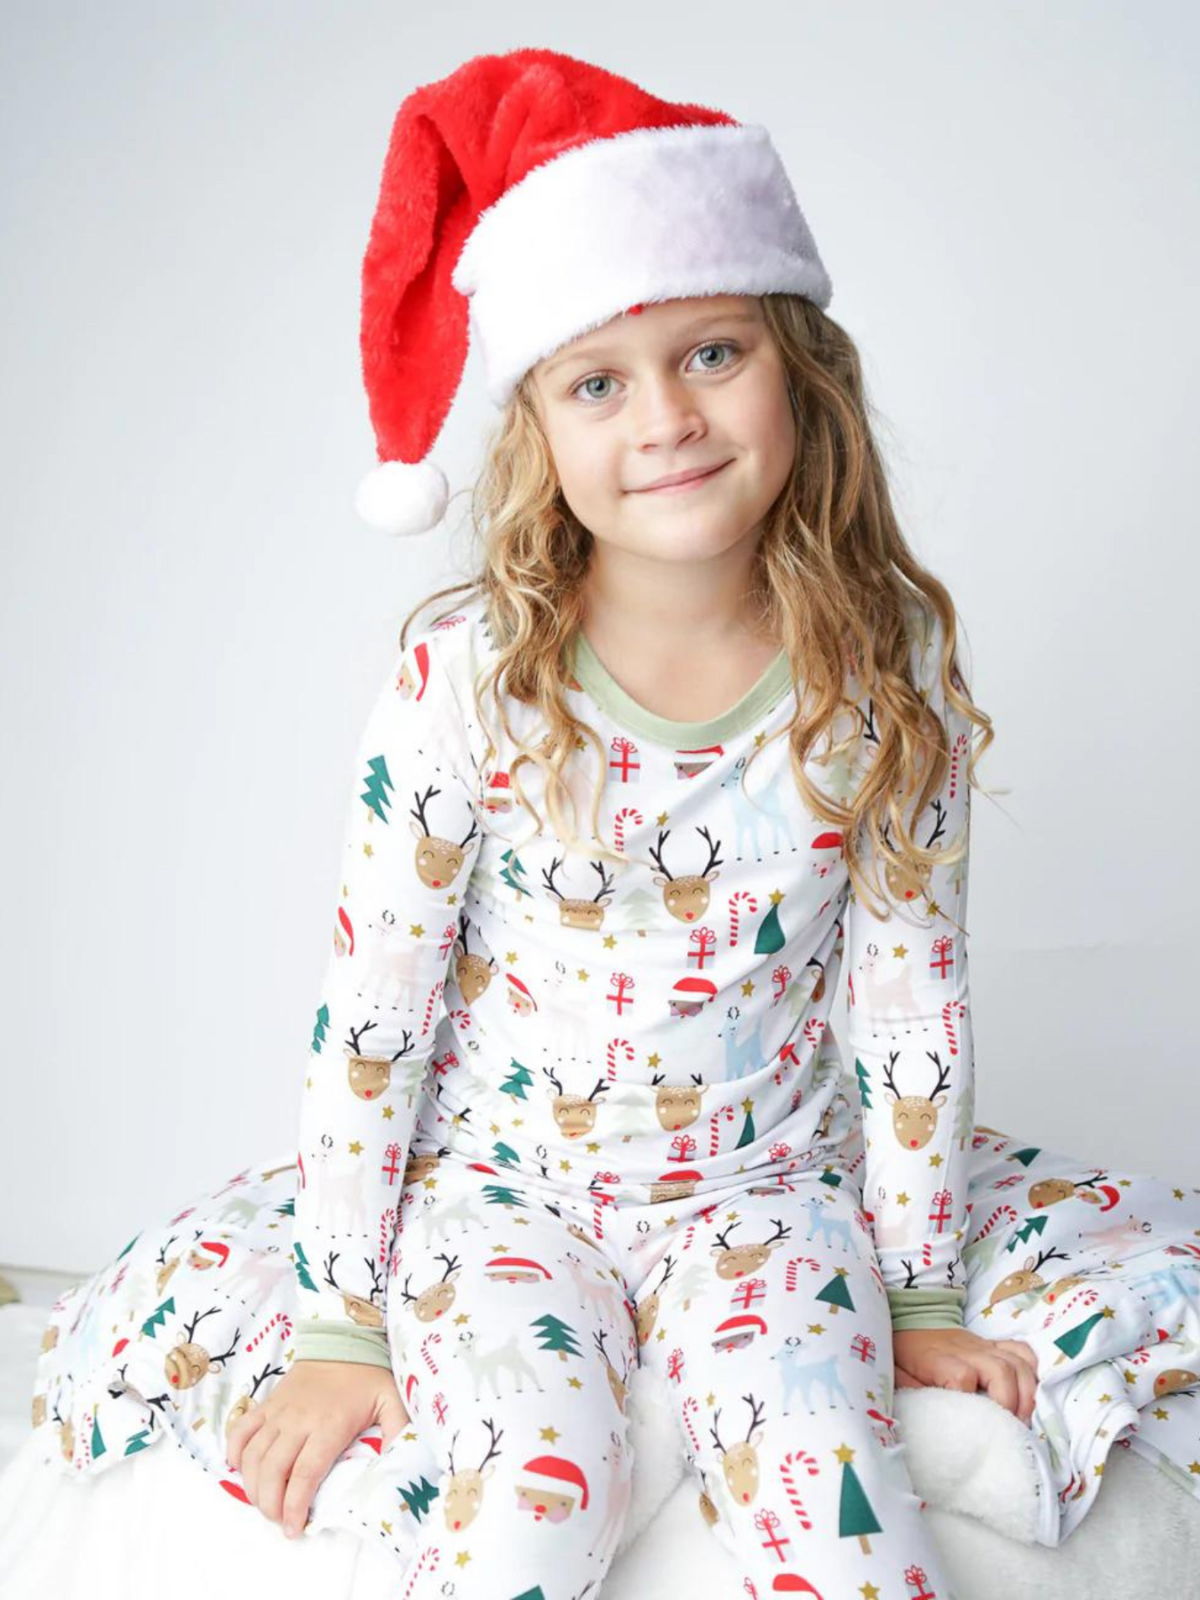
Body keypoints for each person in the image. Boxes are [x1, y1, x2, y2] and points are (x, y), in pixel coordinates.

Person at [31, 46, 1040, 1600]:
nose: (667, 421)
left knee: (843, 1509)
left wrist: (909, 1294)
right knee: (534, 1514)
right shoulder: (470, 681)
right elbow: (378, 1004)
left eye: (713, 354)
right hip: (504, 1193)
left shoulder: (883, 665)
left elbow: (909, 990)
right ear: (541, 437)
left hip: (765, 1193)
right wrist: (342, 1321)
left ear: (798, 370)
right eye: (598, 382)